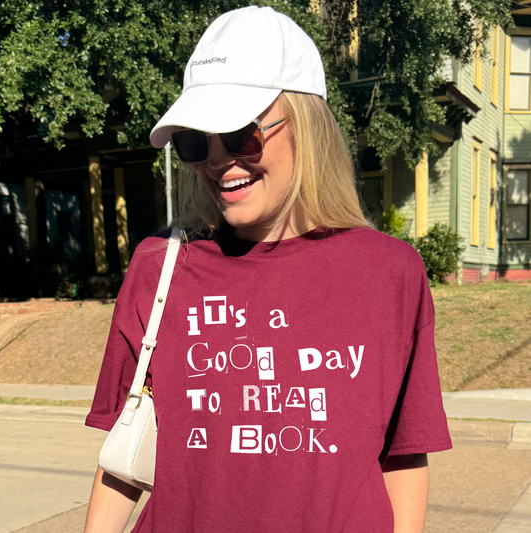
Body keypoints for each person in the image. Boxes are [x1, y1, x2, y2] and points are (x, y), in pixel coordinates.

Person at [84, 6, 452, 533]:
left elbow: (404, 452)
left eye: (239, 134)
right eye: (196, 142)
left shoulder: (390, 273)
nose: (217, 161)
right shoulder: (159, 266)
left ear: (305, 122)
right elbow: (123, 460)